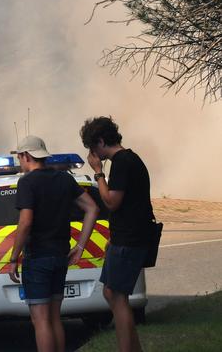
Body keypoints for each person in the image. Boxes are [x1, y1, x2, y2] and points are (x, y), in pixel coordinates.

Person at [8, 135, 99, 352]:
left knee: (40, 321)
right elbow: (92, 208)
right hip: (60, 256)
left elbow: (26, 222)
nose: (19, 163)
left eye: (19, 157)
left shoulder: (27, 182)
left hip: (38, 257)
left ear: (26, 156)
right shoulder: (64, 179)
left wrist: (14, 258)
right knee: (54, 318)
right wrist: (80, 246)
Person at [80, 116, 153, 352]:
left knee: (117, 296)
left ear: (101, 141)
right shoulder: (129, 160)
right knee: (111, 292)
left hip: (129, 239)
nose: (92, 153)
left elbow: (111, 202)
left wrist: (99, 173)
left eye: (92, 147)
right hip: (124, 237)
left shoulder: (121, 162)